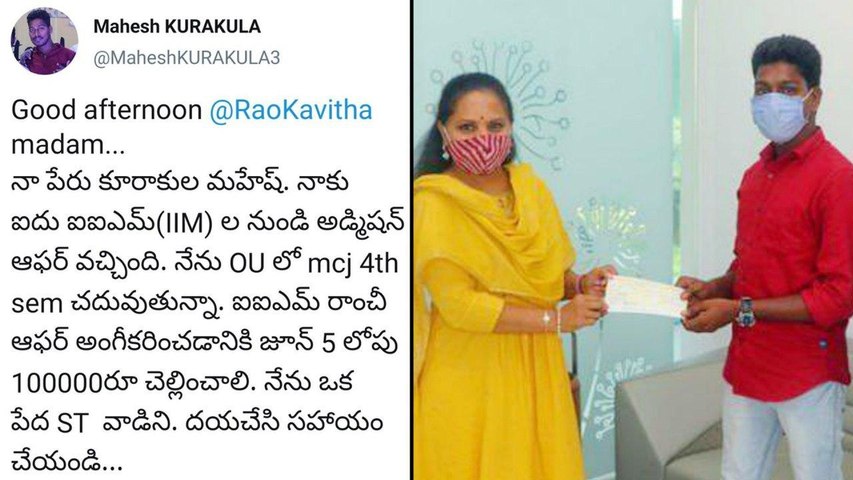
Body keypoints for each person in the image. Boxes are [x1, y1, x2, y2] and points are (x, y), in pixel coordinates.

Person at [414, 72, 616, 480]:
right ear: (443, 131)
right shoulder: (432, 202)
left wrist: (580, 284)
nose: (482, 137)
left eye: (495, 125)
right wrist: (556, 319)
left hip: (538, 369)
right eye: (467, 127)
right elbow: (460, 307)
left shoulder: (530, 189)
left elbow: (547, 276)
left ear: (510, 128)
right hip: (470, 373)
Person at [677, 35, 853, 480]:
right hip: (748, 366)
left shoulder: (838, 179)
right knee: (738, 473)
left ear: (814, 98)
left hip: (807, 371)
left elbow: (838, 297)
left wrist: (736, 309)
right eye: (762, 89)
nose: (772, 100)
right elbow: (749, 265)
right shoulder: (755, 176)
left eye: (787, 89)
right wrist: (714, 288)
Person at [19, 9, 75, 75]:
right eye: (32, 29)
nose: (36, 34)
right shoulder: (26, 58)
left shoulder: (69, 56)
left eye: (41, 28)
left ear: (50, 29)